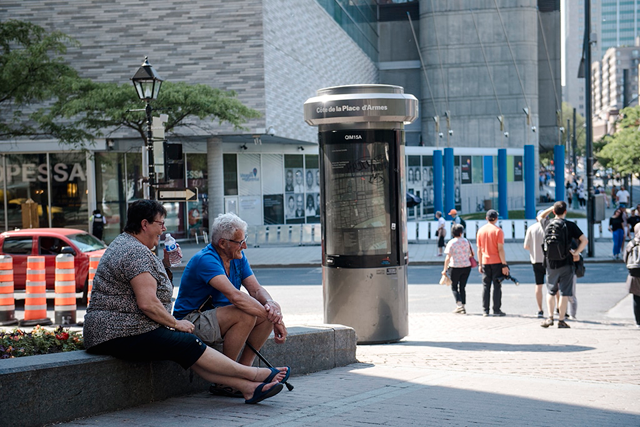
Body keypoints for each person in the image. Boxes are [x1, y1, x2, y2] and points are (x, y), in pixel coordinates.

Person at [83, 200, 288, 405]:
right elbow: (148, 303)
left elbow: (153, 290)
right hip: (119, 331)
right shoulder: (134, 252)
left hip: (125, 329)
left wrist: (165, 264)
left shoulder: (133, 247)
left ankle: (248, 388)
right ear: (144, 224)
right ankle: (254, 374)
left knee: (185, 348)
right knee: (187, 343)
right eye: (160, 224)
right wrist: (175, 323)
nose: (164, 229)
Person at [173, 212, 289, 397]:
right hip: (191, 320)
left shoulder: (238, 257)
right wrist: (274, 319)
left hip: (218, 318)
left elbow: (257, 290)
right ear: (222, 243)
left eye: (245, 240)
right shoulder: (206, 259)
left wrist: (272, 307)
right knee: (247, 313)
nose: (245, 245)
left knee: (266, 310)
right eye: (240, 241)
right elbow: (235, 296)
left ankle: (244, 372)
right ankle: (226, 380)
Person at [538, 201, 587, 329]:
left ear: (554, 212)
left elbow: (540, 217)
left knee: (550, 291)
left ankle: (549, 317)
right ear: (565, 211)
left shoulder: (547, 223)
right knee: (564, 293)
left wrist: (550, 208)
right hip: (567, 262)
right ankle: (561, 320)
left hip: (550, 263)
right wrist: (576, 252)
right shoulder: (570, 225)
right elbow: (584, 240)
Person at [476, 209, 509, 317]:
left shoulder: (481, 231)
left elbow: (479, 249)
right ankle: (496, 309)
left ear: (486, 218)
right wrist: (504, 264)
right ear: (496, 218)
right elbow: (500, 249)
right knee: (497, 286)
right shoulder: (498, 231)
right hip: (496, 261)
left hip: (485, 261)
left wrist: (480, 264)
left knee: (486, 286)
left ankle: (485, 310)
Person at [442, 224, 473, 314]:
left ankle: (459, 305)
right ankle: (462, 305)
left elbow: (448, 257)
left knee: (454, 286)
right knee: (462, 287)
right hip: (466, 266)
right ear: (461, 232)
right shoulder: (467, 241)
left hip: (455, 267)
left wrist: (444, 269)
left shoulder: (451, 243)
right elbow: (472, 253)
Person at [524, 210, 546, 318]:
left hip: (536, 260)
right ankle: (557, 308)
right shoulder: (548, 228)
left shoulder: (531, 228)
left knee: (538, 285)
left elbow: (526, 246)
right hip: (548, 259)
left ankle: (540, 309)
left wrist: (533, 250)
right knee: (554, 284)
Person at [624, 223, 640, 328]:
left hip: (635, 272)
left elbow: (625, 258)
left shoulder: (632, 243)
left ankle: (638, 322)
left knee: (637, 297)